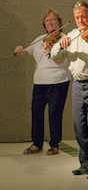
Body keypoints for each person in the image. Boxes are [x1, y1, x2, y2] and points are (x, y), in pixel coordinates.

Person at [51, 1, 88, 177]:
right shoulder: (73, 34)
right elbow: (55, 55)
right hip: (78, 85)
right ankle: (84, 163)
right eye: (77, 17)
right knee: (80, 126)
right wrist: (61, 44)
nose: (81, 20)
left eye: (84, 16)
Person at [14, 8, 71, 155]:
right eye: (47, 20)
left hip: (58, 81)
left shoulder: (64, 39)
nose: (50, 22)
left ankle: (54, 144)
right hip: (39, 82)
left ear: (59, 22)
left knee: (54, 114)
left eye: (53, 19)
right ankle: (36, 144)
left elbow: (60, 60)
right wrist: (20, 50)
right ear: (44, 24)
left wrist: (51, 50)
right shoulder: (40, 39)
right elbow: (27, 53)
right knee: (36, 113)